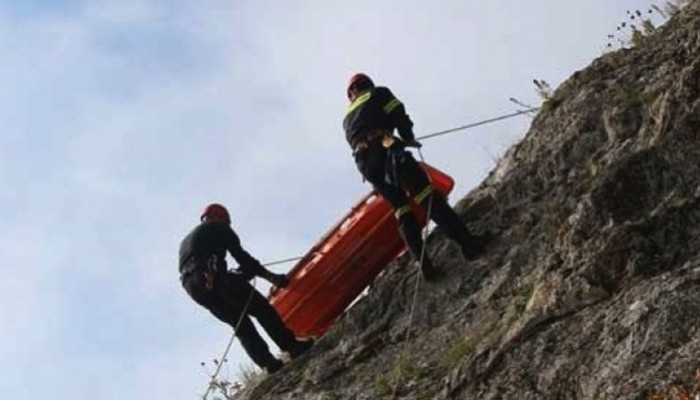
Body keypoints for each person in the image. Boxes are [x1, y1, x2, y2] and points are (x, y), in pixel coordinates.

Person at [342, 73, 487, 281]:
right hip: (387, 150)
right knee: (427, 196)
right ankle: (468, 244)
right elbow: (398, 113)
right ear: (367, 84)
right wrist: (408, 137)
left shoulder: (346, 119)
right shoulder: (379, 92)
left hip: (367, 166)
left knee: (402, 210)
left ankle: (424, 264)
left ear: (351, 94)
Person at [179, 203, 313, 373]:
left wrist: (240, 275)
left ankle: (268, 363)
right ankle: (291, 346)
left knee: (240, 323)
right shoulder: (218, 227)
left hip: (194, 288)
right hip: (213, 277)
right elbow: (242, 257)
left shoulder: (188, 241)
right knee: (261, 308)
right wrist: (272, 277)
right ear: (221, 218)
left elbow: (201, 263)